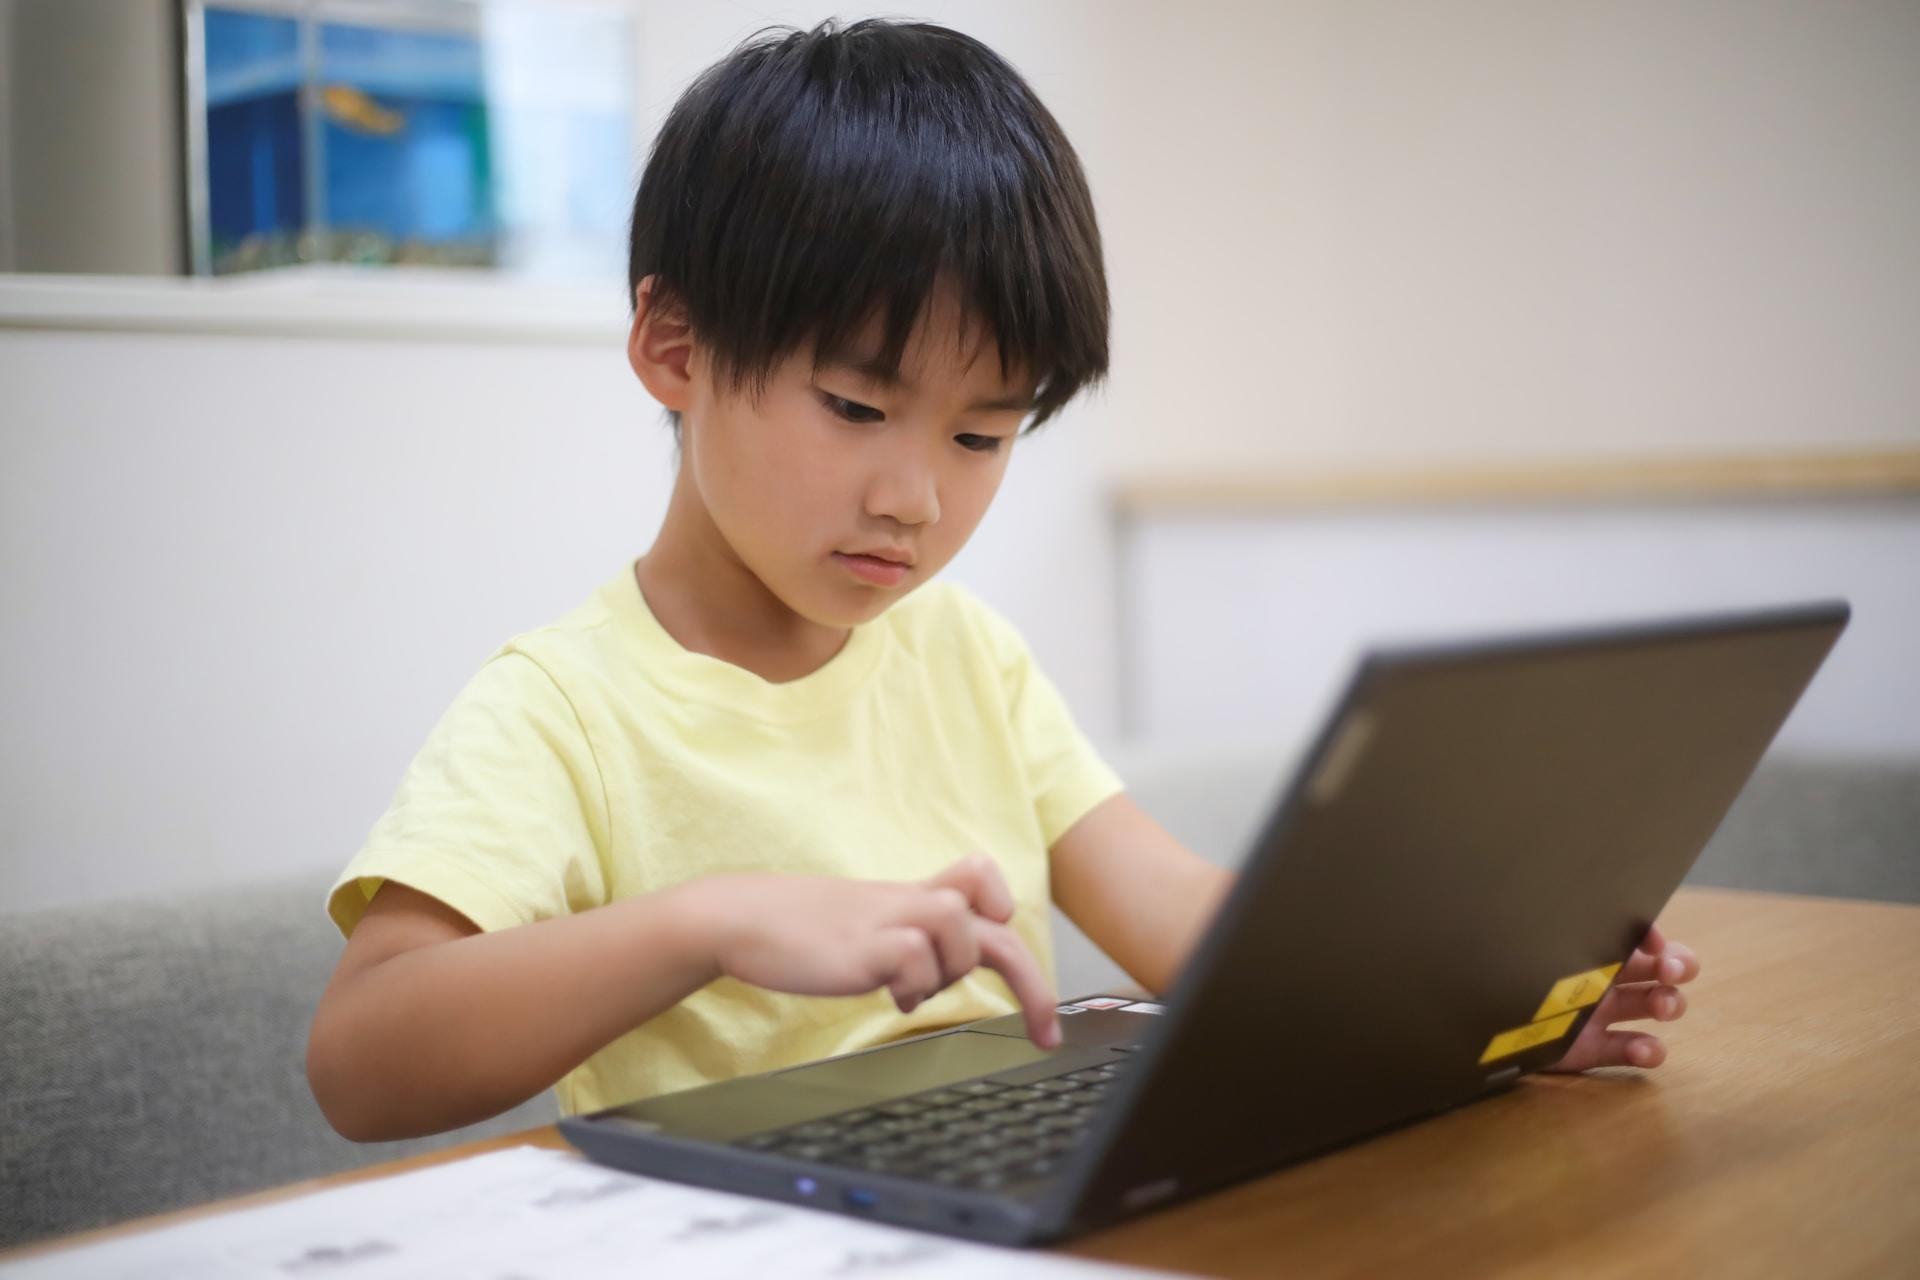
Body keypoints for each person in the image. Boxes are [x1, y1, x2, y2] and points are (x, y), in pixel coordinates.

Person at [305, 18, 1698, 1144]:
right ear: (672, 345)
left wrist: (1472, 1007)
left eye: (983, 435)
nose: (915, 497)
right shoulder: (565, 706)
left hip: (987, 1196)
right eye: (857, 408)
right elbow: (361, 1064)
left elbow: (1176, 915)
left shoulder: (960, 652)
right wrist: (711, 919)